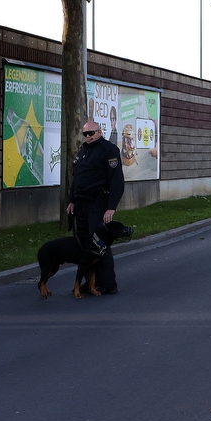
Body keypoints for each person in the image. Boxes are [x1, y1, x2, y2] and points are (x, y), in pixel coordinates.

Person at [67, 120, 125, 294]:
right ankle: (90, 283)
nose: (88, 137)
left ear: (99, 132)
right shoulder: (83, 150)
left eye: (91, 133)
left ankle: (108, 284)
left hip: (98, 203)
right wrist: (72, 200)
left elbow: (116, 181)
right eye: (85, 134)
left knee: (99, 243)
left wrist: (111, 207)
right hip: (82, 204)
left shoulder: (108, 150)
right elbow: (77, 178)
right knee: (85, 245)